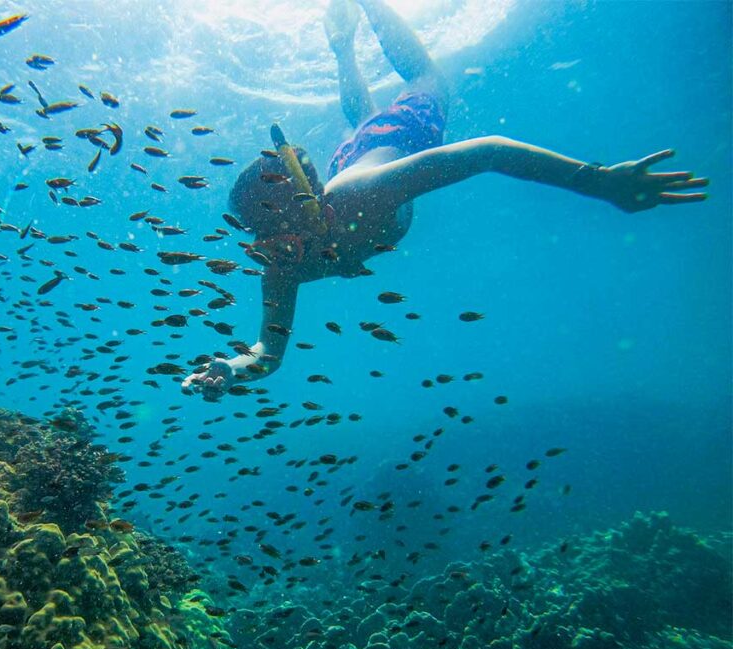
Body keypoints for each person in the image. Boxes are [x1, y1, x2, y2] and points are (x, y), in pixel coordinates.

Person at [182, 0, 708, 401]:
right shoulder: (281, 270)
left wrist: (598, 181)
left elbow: (491, 151)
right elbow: (268, 353)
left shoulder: (361, 195)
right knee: (359, 122)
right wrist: (231, 368)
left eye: (286, 226)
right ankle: (343, 47)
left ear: (312, 202)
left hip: (402, 135)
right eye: (265, 236)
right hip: (358, 156)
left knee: (426, 80)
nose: (281, 247)